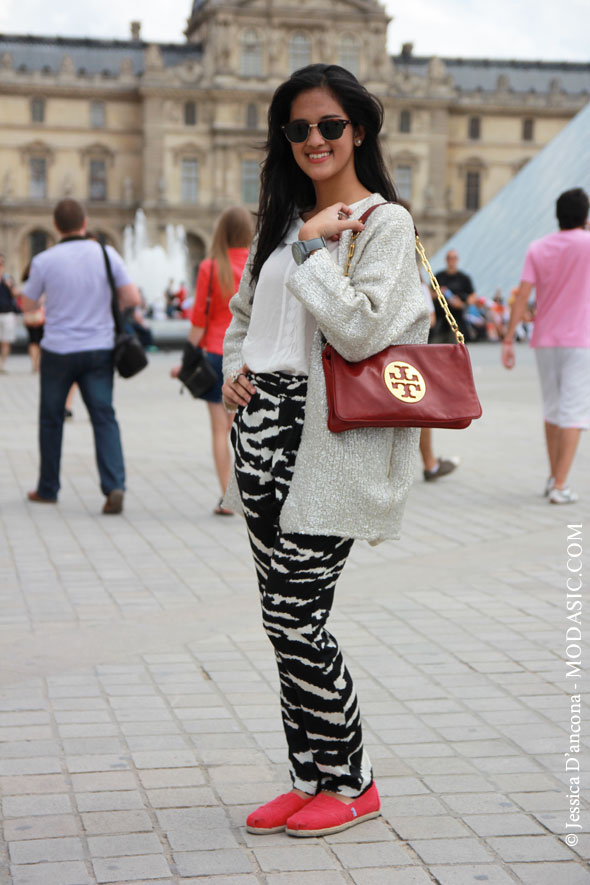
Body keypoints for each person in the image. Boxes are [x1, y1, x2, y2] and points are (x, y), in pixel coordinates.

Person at [221, 64, 429, 838]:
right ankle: (310, 776)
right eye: (299, 128)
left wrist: (312, 254)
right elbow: (244, 318)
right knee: (281, 622)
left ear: (360, 132)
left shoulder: (384, 224)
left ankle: (354, 781)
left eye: (330, 126)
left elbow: (364, 329)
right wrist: (232, 374)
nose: (314, 139)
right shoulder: (282, 221)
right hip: (263, 428)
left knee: (298, 615)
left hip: (328, 434)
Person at [21, 198, 140, 513]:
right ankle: (114, 485)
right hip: (99, 350)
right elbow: (132, 297)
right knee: (104, 417)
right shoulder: (105, 253)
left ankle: (48, 488)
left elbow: (27, 305)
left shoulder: (44, 260)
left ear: (56, 226)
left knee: (51, 420)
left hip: (57, 351)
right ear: (84, 222)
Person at [502, 187, 590, 505]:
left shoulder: (538, 247)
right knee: (574, 413)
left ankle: (554, 476)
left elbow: (523, 295)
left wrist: (509, 337)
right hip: (580, 339)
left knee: (553, 410)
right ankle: (560, 486)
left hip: (545, 338)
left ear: (557, 215)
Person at [171, 207, 253, 514]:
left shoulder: (210, 267)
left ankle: (228, 497)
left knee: (220, 429)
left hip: (216, 355)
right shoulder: (257, 264)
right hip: (249, 358)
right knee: (244, 429)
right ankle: (251, 493)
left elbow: (199, 322)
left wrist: (185, 362)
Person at [434, 250, 477, 341]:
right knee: (436, 342)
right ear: (446, 260)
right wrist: (440, 293)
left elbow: (473, 297)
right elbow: (430, 294)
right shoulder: (439, 276)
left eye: (453, 258)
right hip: (441, 317)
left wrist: (461, 303)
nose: (451, 261)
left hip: (457, 317)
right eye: (449, 258)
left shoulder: (464, 278)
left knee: (456, 342)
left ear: (457, 260)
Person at [0, 253, 21, 373]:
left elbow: (16, 294)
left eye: (1, 263)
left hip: (7, 313)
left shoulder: (8, 278)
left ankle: (3, 365)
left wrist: (10, 285)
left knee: (5, 340)